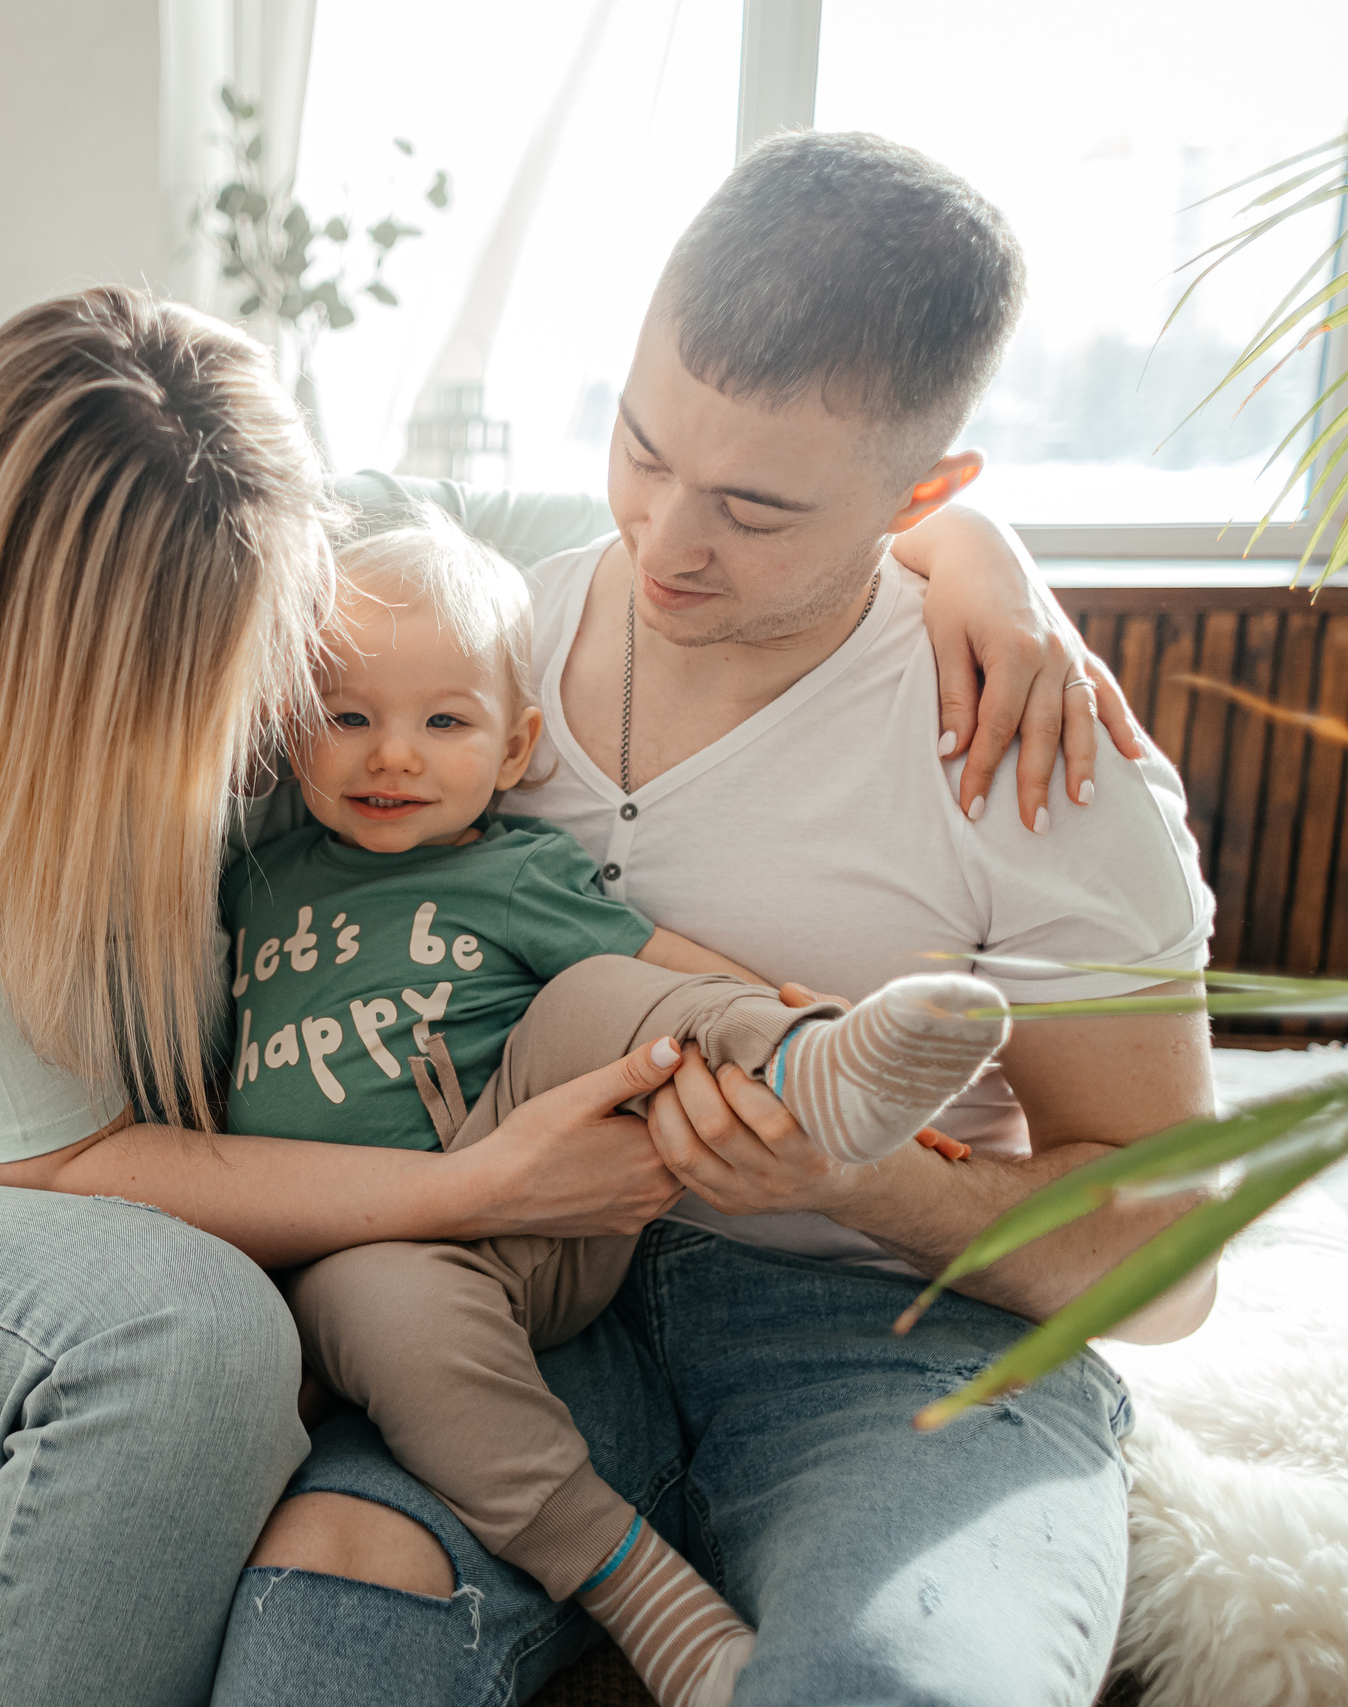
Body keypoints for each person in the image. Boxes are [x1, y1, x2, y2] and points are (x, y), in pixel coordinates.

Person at [0, 281, 1130, 1705]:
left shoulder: (334, 562)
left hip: (122, 1237)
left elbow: (694, 535)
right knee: (192, 1336)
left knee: (341, 1232)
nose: (228, 718)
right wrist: (472, 1182)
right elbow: (65, 1165)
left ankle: (820, 1069)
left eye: (247, 652)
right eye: (153, 676)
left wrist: (981, 562)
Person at [217, 132, 1216, 1707]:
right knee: (317, 1629)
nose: (668, 538)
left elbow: (1170, 1261)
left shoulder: (1027, 748)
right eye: (640, 446)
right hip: (519, 1290)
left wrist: (876, 1186)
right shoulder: (471, 650)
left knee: (898, 1680)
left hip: (882, 1328)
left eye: (755, 507)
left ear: (925, 493)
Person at [226, 516, 1013, 1707]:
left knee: (604, 990)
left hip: (532, 1219)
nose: (392, 756)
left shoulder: (516, 868)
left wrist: (784, 1020)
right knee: (380, 1295)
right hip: (349, 1263)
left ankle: (824, 1072)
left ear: (514, 748)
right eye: (349, 718)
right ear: (293, 733)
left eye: (444, 722)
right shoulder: (255, 878)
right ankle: (645, 1594)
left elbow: (668, 962)